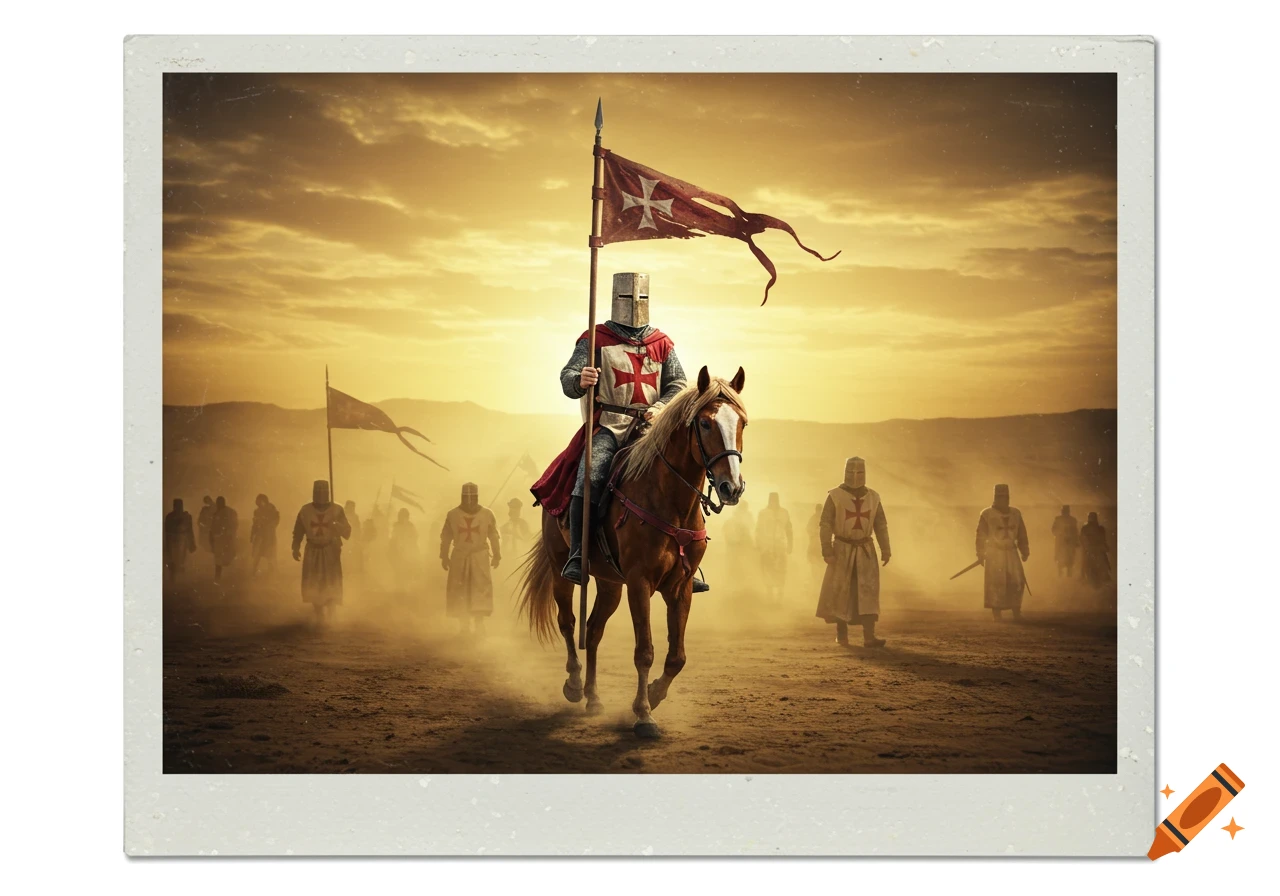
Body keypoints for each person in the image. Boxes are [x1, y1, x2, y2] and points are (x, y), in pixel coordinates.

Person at [534, 272, 706, 591]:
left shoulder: (661, 343)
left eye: (640, 297)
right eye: (628, 298)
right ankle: (578, 554)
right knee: (592, 473)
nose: (634, 304)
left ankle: (686, 560)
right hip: (611, 426)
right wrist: (579, 379)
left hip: (651, 430)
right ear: (617, 298)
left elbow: (679, 384)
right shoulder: (595, 338)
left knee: (682, 475)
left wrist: (661, 406)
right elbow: (568, 374)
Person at [815, 457, 891, 647]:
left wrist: (886, 548)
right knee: (842, 592)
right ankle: (842, 635)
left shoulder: (874, 497)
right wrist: (827, 549)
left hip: (865, 550)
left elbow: (880, 524)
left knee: (868, 592)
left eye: (859, 472)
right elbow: (825, 524)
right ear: (845, 472)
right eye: (851, 472)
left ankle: (869, 637)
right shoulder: (835, 496)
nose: (855, 476)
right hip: (842, 550)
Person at [440, 482, 501, 636]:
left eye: (472, 497)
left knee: (480, 589)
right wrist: (444, 556)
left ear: (476, 497)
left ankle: (479, 623)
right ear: (461, 497)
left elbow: (493, 536)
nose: (468, 501)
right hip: (460, 557)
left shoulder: (487, 514)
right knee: (459, 589)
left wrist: (497, 555)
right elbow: (446, 537)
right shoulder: (452, 514)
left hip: (479, 557)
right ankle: (464, 625)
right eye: (465, 497)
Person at [291, 480, 352, 622]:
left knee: (330, 581)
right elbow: (298, 531)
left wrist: (338, 525)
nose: (320, 494)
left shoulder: (337, 510)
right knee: (314, 581)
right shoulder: (305, 511)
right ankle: (318, 611)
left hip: (330, 550)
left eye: (323, 491)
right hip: (312, 550)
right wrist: (295, 547)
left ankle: (331, 610)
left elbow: (347, 532)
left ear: (328, 492)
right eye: (317, 491)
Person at [976, 483, 1030, 621]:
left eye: (1005, 497)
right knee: (996, 583)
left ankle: (1016, 611)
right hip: (994, 553)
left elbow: (1022, 534)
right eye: (999, 497)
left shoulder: (1016, 513)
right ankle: (997, 613)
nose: (1002, 499)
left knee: (1017, 581)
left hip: (1011, 553)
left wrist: (1024, 550)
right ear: (994, 497)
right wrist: (980, 553)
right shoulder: (986, 514)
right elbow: (981, 535)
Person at [755, 492, 793, 601]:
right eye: (772, 499)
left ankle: (780, 595)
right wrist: (758, 544)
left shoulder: (784, 513)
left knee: (781, 570)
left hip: (780, 546)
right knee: (767, 570)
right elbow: (758, 529)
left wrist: (790, 544)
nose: (774, 501)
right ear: (769, 500)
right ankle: (770, 595)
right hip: (766, 547)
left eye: (775, 499)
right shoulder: (763, 513)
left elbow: (789, 529)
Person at [163, 498, 197, 583]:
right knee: (173, 559)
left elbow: (189, 529)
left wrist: (191, 542)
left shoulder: (186, 516)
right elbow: (167, 530)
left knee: (182, 559)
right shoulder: (170, 516)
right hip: (173, 540)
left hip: (182, 540)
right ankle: (173, 578)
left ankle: (181, 579)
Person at [1079, 511, 1111, 588]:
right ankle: (1083, 576)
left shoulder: (1098, 528)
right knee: (1087, 561)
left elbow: (1103, 539)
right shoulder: (1087, 528)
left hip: (1094, 549)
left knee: (1102, 560)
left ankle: (1105, 576)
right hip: (1091, 549)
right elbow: (1082, 539)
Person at [209, 496, 238, 582]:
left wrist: (229, 533)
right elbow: (213, 526)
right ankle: (218, 577)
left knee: (229, 557)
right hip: (219, 539)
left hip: (227, 539)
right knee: (218, 559)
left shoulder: (230, 512)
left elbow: (234, 524)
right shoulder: (217, 513)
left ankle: (231, 578)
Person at [389, 508, 419, 590]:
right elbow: (393, 537)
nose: (402, 518)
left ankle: (406, 589)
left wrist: (408, 543)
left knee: (407, 571)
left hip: (408, 552)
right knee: (398, 571)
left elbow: (415, 537)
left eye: (404, 516)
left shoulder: (410, 526)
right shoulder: (396, 526)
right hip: (397, 552)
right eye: (401, 516)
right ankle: (399, 589)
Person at [250, 493, 280, 575]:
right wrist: (252, 534)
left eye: (260, 501)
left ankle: (271, 572)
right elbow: (255, 524)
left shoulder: (271, 509)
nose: (258, 503)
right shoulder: (257, 511)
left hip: (269, 536)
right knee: (258, 553)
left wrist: (268, 526)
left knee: (269, 554)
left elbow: (275, 521)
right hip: (260, 536)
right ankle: (254, 570)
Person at [1051, 504, 1079, 578]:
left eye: (1066, 511)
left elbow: (1075, 531)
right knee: (1060, 561)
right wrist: (1060, 534)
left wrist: (1075, 541)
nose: (1064, 512)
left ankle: (1069, 577)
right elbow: (1053, 530)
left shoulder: (1073, 520)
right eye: (1064, 510)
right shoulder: (1058, 519)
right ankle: (1060, 576)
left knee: (1070, 561)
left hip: (1070, 543)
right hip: (1061, 543)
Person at [806, 502, 824, 583]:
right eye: (818, 510)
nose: (819, 512)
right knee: (814, 566)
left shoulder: (825, 519)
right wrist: (816, 532)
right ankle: (816, 582)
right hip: (814, 546)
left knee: (822, 566)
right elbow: (808, 529)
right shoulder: (813, 519)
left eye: (820, 510)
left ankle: (820, 582)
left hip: (822, 546)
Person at [344, 500, 363, 574]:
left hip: (352, 539)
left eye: (353, 507)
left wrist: (357, 538)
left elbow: (357, 529)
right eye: (350, 506)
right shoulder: (341, 515)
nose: (352, 508)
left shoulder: (355, 517)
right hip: (343, 539)